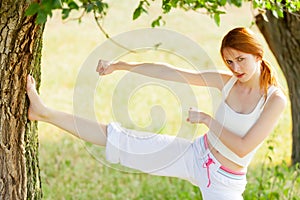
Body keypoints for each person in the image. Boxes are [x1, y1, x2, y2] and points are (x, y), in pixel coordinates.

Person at [26, 27, 287, 200]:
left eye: (241, 59)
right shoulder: (226, 81)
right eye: (229, 61)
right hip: (198, 153)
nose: (235, 67)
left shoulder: (274, 100)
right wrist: (121, 65)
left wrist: (208, 120)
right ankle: (44, 113)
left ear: (258, 55)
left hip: (225, 181)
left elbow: (243, 147)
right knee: (121, 137)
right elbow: (171, 73)